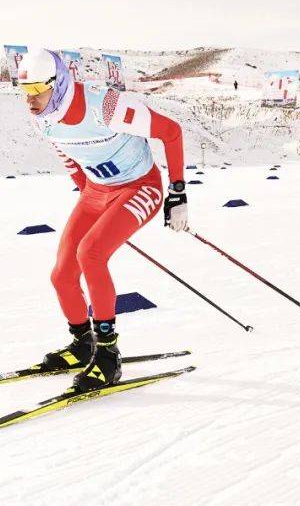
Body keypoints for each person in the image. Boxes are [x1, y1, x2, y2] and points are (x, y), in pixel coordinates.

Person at [19, 48, 188, 392]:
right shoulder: (43, 117)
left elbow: (171, 132)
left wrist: (178, 194)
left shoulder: (107, 107)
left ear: (59, 83)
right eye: (25, 90)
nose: (30, 99)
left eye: (38, 89)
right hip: (97, 192)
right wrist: (84, 189)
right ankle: (83, 345)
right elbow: (66, 153)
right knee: (62, 275)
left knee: (91, 254)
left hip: (140, 186)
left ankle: (108, 357)